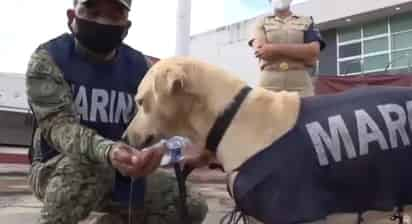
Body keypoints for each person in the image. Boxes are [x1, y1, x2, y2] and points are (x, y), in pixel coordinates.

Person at [25, 0, 208, 223]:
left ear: (126, 25)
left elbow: (175, 130)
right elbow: (59, 127)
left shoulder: (142, 68)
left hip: (124, 171)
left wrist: (163, 150)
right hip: (57, 167)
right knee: (89, 167)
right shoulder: (49, 59)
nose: (103, 20)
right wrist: (109, 152)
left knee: (190, 205)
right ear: (72, 17)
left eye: (114, 14)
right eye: (92, 11)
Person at [249, 0, 326, 97]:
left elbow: (313, 51)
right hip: (269, 84)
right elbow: (263, 51)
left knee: (305, 111)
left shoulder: (306, 20)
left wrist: (272, 48)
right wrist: (301, 51)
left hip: (300, 84)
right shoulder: (260, 22)